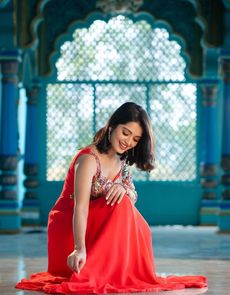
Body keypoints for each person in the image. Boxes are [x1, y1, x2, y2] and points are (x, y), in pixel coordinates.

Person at [16, 102, 207, 294]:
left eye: (135, 139)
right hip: (71, 226)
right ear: (112, 125)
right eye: (125, 133)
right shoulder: (88, 159)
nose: (128, 142)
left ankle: (120, 272)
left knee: (141, 225)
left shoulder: (121, 160)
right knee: (121, 205)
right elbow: (80, 208)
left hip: (96, 222)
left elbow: (132, 196)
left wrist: (124, 189)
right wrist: (78, 249)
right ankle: (98, 267)